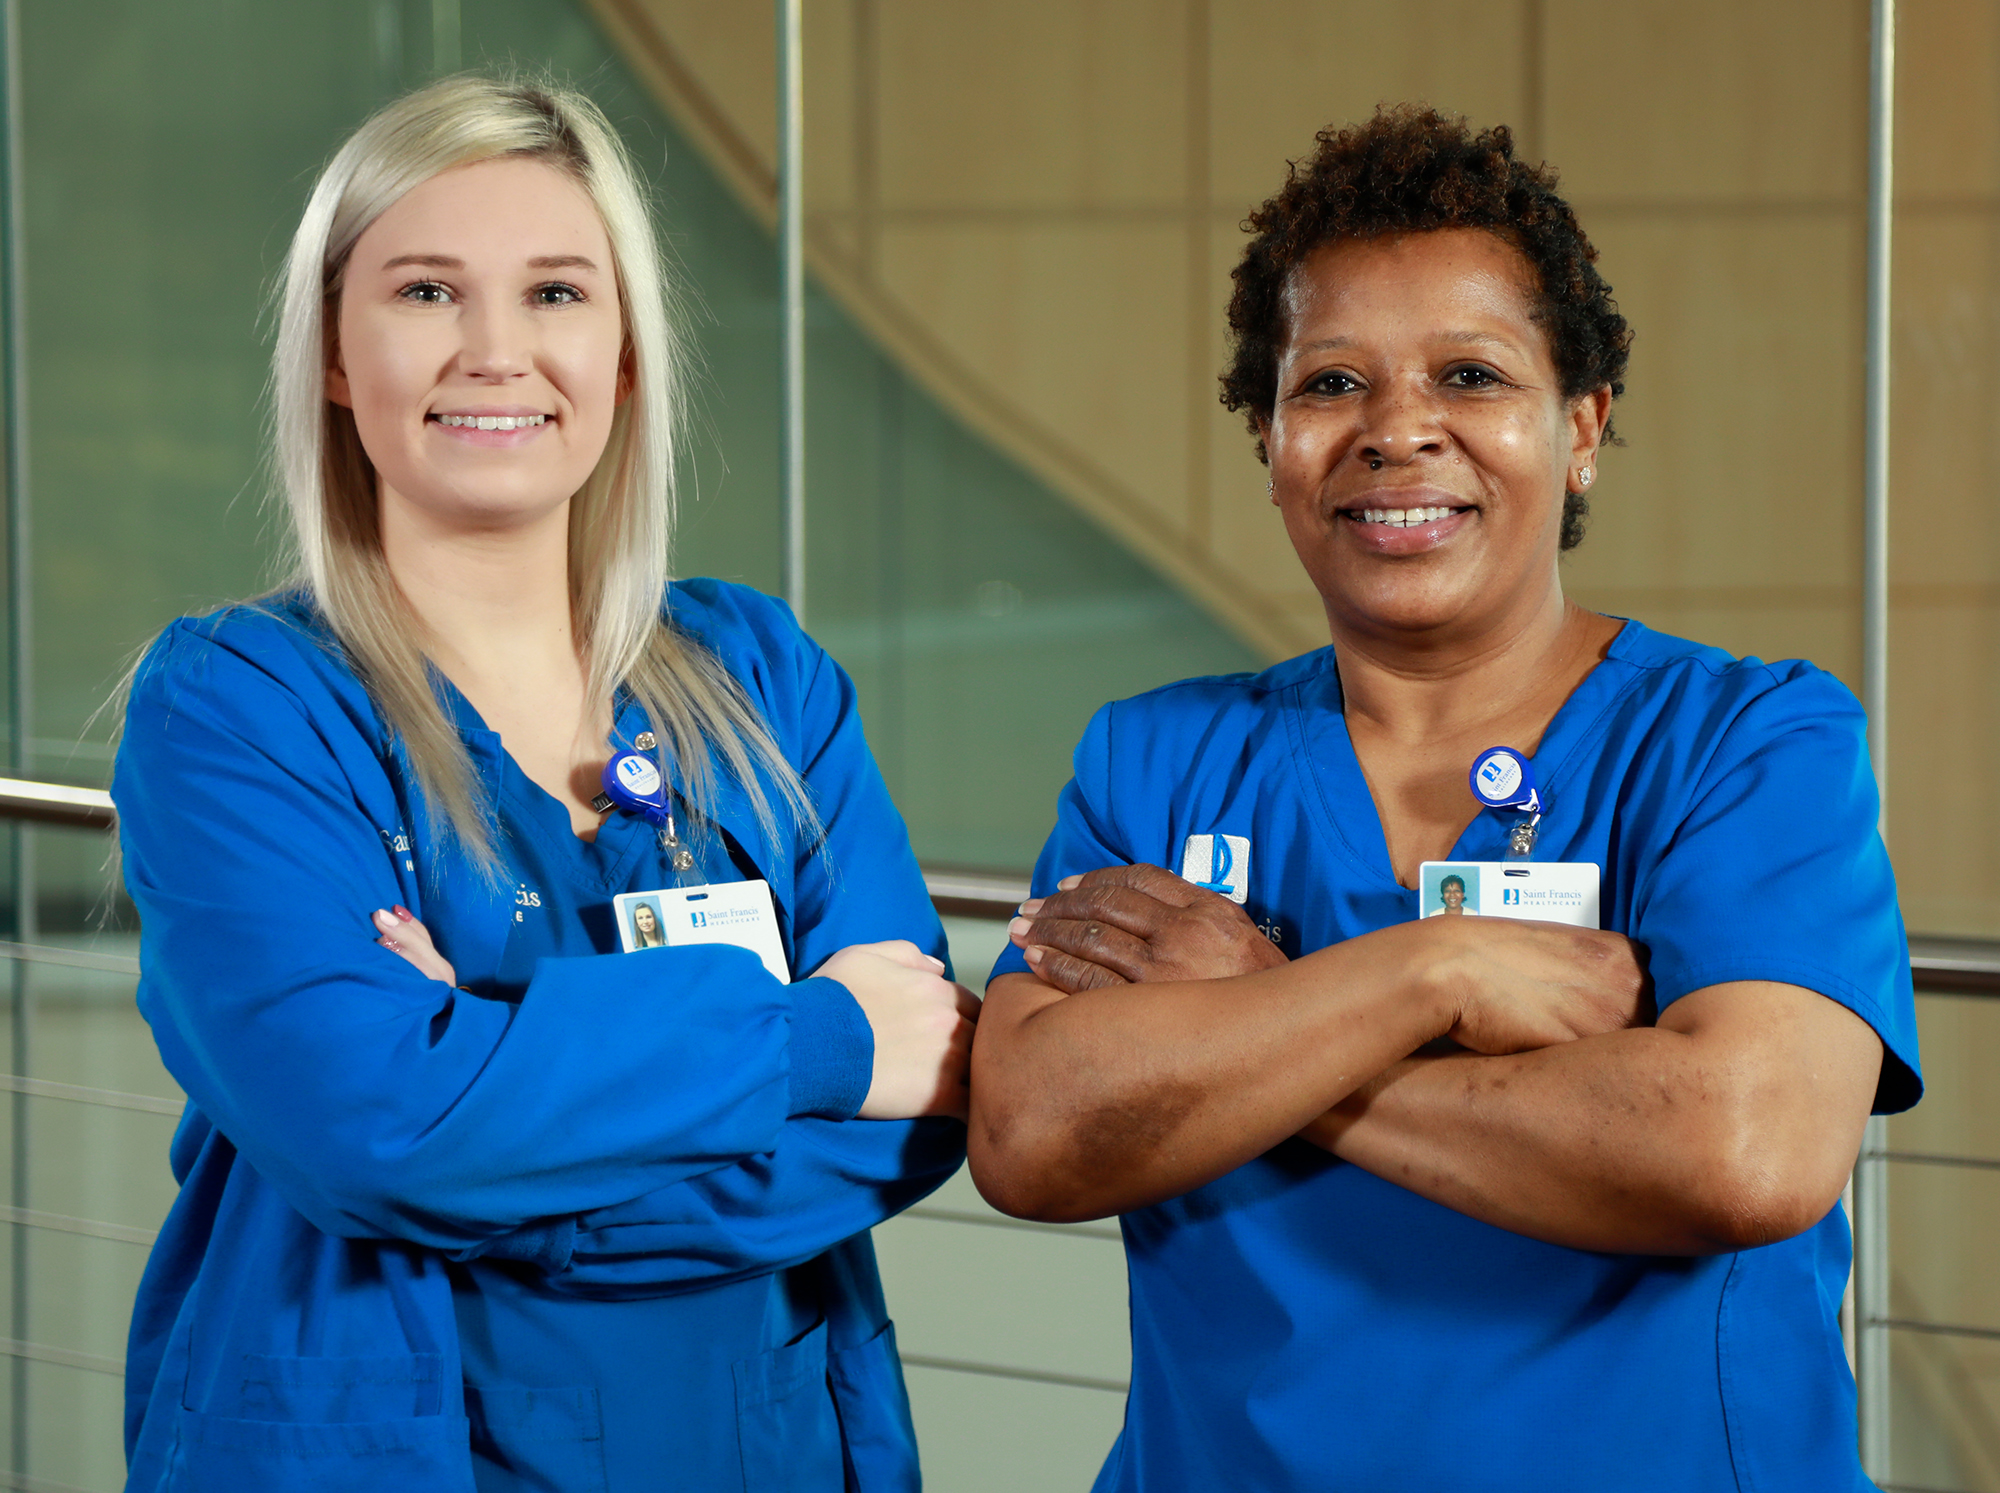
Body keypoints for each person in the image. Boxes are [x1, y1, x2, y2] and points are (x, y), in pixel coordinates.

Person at [970, 107, 1919, 1493]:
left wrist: (1262, 1018)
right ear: (1269, 438)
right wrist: (1434, 970)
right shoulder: (1152, 763)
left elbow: (1745, 1148)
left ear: (1582, 426)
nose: (1397, 430)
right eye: (1330, 384)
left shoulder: (1746, 741)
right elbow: (1031, 1135)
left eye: (1471, 375)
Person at [114, 77, 976, 1493]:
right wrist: (816, 1042)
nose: (497, 351)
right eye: (427, 292)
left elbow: (924, 1096)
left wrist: (486, 1090)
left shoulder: (765, 681)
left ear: (625, 353)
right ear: (334, 353)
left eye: (558, 293)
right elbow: (369, 1127)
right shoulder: (238, 707)